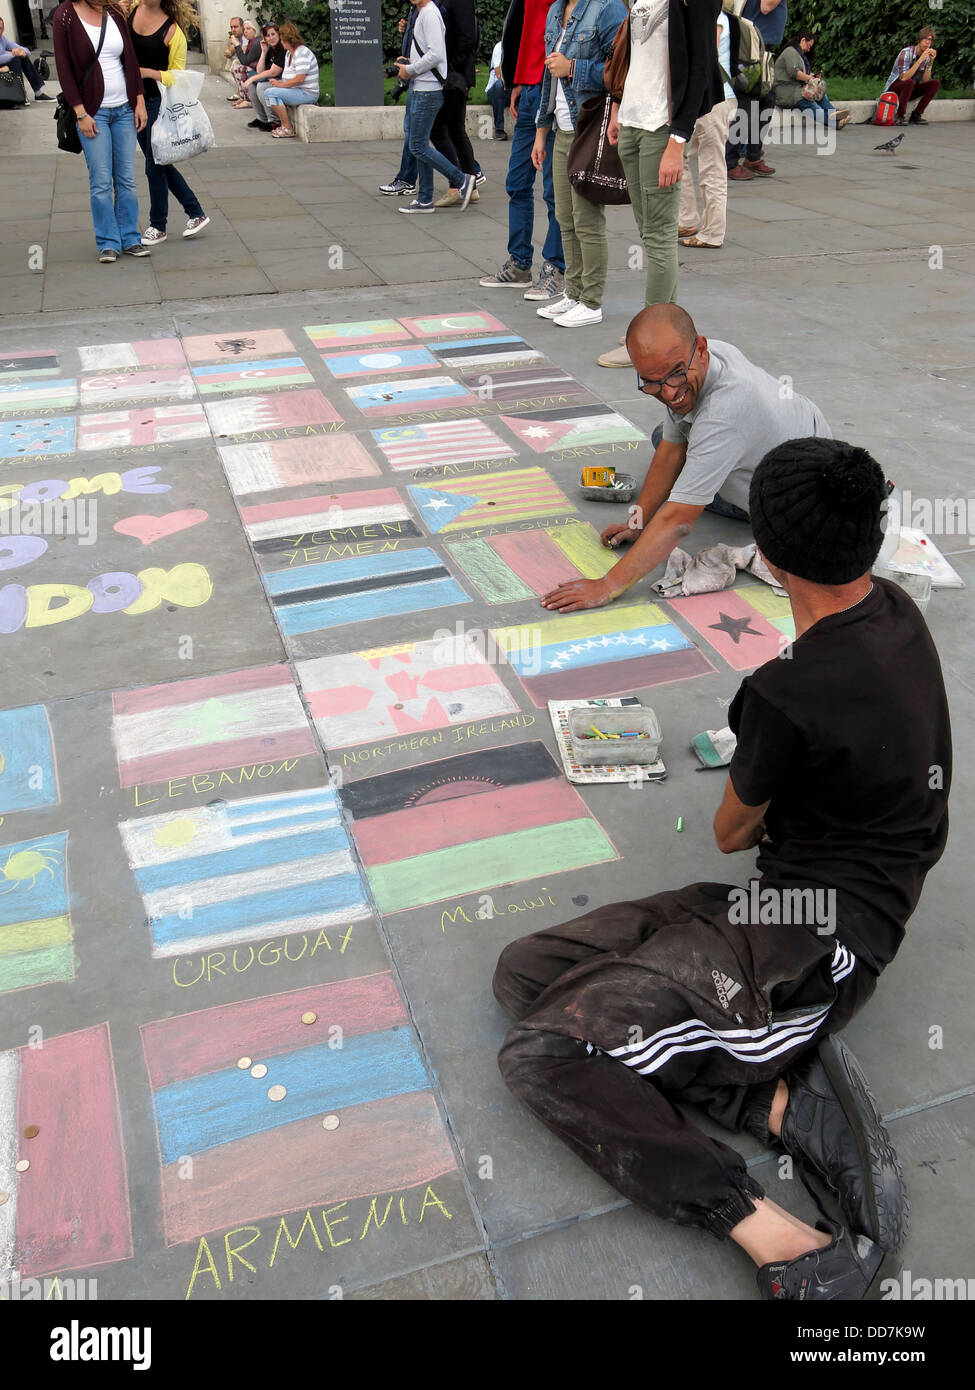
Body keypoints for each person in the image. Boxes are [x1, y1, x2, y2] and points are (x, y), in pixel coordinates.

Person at [495, 435, 950, 1302]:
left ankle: (773, 1235)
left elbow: (730, 832)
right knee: (529, 971)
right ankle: (776, 1105)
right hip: (792, 910)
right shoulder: (894, 608)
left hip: (817, 940)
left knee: (546, 1052)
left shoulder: (785, 688)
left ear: (767, 555)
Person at [541, 303, 830, 613]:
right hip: (793, 445)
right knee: (663, 435)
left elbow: (679, 521)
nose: (667, 394)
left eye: (674, 376)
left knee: (692, 476)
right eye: (651, 382)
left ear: (701, 349)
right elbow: (669, 450)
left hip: (802, 500)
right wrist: (638, 522)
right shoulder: (694, 361)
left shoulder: (725, 413)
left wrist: (606, 586)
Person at [597, 0, 724, 368]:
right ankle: (665, 330)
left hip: (661, 126)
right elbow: (635, 55)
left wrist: (678, 139)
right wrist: (619, 107)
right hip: (634, 121)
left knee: (660, 234)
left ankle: (650, 339)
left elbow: (700, 64)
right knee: (649, 232)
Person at [529, 0, 628, 327]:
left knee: (587, 219)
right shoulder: (556, 10)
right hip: (561, 127)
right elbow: (548, 78)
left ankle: (591, 300)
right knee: (565, 217)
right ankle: (573, 292)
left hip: (588, 127)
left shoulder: (607, 8)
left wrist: (573, 68)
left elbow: (622, 71)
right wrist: (541, 131)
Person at [478, 0, 565, 301]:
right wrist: (516, 80)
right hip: (529, 88)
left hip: (551, 86)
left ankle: (555, 268)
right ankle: (519, 264)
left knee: (555, 191)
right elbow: (521, 31)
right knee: (517, 183)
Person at [53, 0, 151, 264]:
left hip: (124, 109)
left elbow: (130, 58)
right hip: (93, 113)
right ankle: (108, 242)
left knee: (127, 180)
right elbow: (63, 69)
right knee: (101, 182)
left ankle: (130, 237)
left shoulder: (115, 11)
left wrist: (139, 99)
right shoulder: (65, 15)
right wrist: (80, 112)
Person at [129, 0, 209, 246]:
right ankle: (195, 212)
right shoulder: (132, 8)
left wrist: (148, 72)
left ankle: (158, 225)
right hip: (132, 99)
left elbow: (178, 77)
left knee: (154, 164)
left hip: (156, 103)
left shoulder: (174, 32)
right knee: (160, 162)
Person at [393, 0, 475, 214]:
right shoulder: (424, 13)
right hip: (424, 87)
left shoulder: (429, 14)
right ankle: (424, 199)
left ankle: (461, 180)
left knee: (418, 145)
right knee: (418, 144)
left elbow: (436, 54)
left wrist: (410, 69)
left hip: (428, 90)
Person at [677, 7, 737, 249]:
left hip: (715, 99)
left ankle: (712, 232)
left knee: (711, 168)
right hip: (705, 100)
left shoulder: (715, 17)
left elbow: (704, 52)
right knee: (679, 157)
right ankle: (687, 219)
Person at [726, 0, 785, 183]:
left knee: (765, 102)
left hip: (758, 49)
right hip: (753, 51)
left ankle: (752, 156)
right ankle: (730, 161)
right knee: (748, 105)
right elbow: (766, 6)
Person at [429, 0, 481, 207]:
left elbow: (466, 38)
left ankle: (458, 184)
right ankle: (470, 185)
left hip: (453, 76)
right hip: (454, 74)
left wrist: (449, 69)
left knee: (437, 129)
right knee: (455, 129)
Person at [773, 29, 850, 128]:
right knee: (809, 103)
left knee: (820, 92)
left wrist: (812, 77)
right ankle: (835, 123)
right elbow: (795, 73)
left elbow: (801, 74)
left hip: (795, 89)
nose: (809, 50)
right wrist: (810, 78)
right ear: (803, 40)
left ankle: (835, 114)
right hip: (786, 92)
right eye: (809, 46)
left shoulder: (799, 55)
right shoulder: (790, 51)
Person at [379, 11, 419, 197]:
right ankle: (469, 172)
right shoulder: (416, 8)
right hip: (415, 75)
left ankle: (406, 180)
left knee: (417, 132)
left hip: (423, 80)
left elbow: (434, 52)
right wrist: (405, 30)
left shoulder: (430, 9)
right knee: (435, 133)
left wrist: (411, 65)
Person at [262, 21, 318, 139]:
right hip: (296, 90)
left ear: (289, 40)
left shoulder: (301, 53)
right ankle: (282, 123)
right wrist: (279, 84)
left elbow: (299, 79)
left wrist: (280, 85)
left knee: (270, 93)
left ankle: (287, 127)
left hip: (307, 93)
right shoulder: (288, 54)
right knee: (269, 91)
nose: (281, 42)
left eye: (282, 40)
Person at [883, 25, 940, 126]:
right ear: (919, 40)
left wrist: (930, 62)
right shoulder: (906, 52)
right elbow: (904, 77)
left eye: (930, 40)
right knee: (909, 81)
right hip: (895, 89)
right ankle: (900, 116)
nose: (927, 42)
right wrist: (920, 60)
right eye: (925, 39)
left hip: (910, 89)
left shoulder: (926, 57)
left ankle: (916, 115)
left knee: (934, 84)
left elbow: (925, 81)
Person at [243, 22, 285, 131]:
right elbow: (260, 70)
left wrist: (252, 78)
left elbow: (273, 72)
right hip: (273, 77)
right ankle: (262, 118)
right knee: (253, 85)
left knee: (262, 86)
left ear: (279, 34)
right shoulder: (270, 49)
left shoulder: (282, 48)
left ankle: (274, 121)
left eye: (273, 34)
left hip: (283, 79)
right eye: (267, 36)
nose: (271, 38)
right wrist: (264, 52)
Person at [0, 15, 54, 99]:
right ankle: (19, 94)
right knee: (15, 60)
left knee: (21, 58)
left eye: (1, 28)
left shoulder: (2, 39)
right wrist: (13, 54)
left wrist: (23, 52)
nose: (0, 31)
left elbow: (25, 50)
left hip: (3, 65)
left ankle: (38, 93)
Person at [231, 20, 261, 107]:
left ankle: (248, 100)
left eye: (248, 29)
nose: (245, 31)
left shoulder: (257, 42)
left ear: (255, 30)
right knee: (237, 67)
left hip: (260, 71)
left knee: (241, 69)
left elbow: (245, 61)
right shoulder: (251, 42)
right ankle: (243, 97)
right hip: (255, 68)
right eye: (244, 29)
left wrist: (236, 45)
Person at [485, 35, 507, 138]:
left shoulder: (520, 48)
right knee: (500, 85)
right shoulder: (500, 47)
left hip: (511, 90)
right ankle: (499, 129)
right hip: (495, 91)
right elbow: (499, 74)